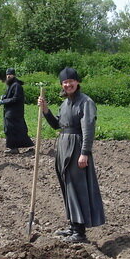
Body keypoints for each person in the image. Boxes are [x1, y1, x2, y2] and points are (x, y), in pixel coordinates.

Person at [37, 67, 105, 244]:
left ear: (77, 82)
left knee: (77, 187)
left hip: (76, 147)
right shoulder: (65, 103)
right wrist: (45, 110)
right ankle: (74, 226)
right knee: (67, 186)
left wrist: (84, 153)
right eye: (65, 82)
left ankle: (80, 233)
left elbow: (88, 129)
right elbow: (57, 125)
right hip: (63, 146)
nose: (68, 84)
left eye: (71, 81)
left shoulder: (86, 102)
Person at [0, 68, 34, 154]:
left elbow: (16, 98)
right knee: (10, 130)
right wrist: (4, 97)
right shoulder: (11, 85)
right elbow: (10, 96)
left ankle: (15, 148)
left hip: (14, 112)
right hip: (10, 112)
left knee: (14, 129)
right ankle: (13, 148)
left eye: (10, 74)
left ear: (13, 75)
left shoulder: (17, 85)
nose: (8, 76)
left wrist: (4, 101)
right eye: (7, 75)